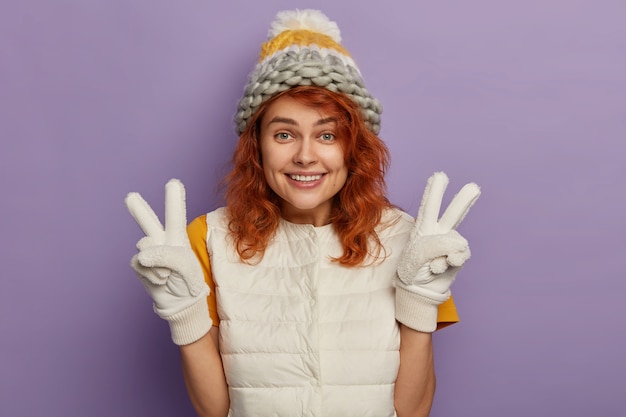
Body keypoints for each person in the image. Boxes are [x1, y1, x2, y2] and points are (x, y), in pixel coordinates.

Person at [125, 9, 480, 417]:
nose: (306, 156)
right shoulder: (207, 239)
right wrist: (183, 317)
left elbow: (412, 412)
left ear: (354, 147)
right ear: (256, 145)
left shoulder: (413, 240)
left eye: (327, 134)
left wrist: (420, 304)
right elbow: (218, 412)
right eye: (284, 134)